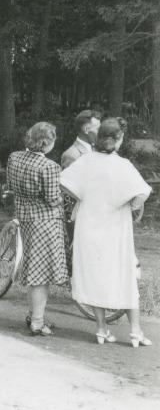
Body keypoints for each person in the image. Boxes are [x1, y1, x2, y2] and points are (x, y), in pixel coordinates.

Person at [60, 118, 153, 347]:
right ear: (119, 139)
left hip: (89, 222)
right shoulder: (122, 165)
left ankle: (102, 329)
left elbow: (63, 183)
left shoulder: (86, 162)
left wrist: (83, 196)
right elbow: (142, 192)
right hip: (115, 226)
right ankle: (135, 331)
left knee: (95, 273)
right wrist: (129, 205)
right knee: (124, 272)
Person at [6, 122, 68, 336]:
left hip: (25, 218)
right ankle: (38, 322)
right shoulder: (50, 167)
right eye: (53, 140)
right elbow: (52, 200)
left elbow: (11, 186)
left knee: (33, 268)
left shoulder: (14, 157)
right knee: (41, 274)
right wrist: (63, 197)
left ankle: (33, 314)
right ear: (44, 143)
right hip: (46, 223)